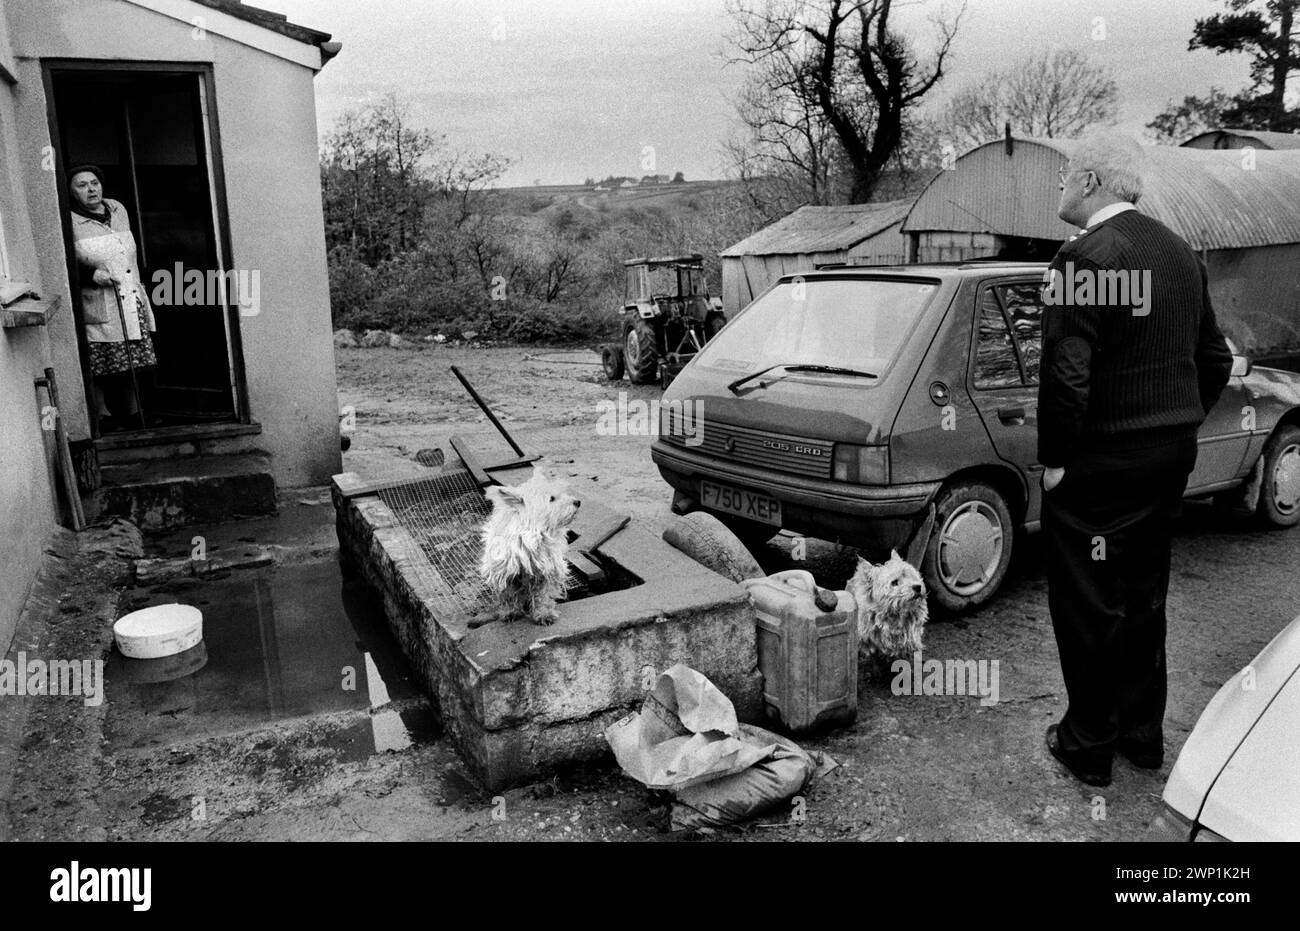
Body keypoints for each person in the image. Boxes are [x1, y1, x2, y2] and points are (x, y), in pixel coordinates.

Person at [1038, 133, 1233, 787]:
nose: (1059, 186)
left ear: (1090, 180)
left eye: (1065, 175)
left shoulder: (1080, 258)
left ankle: (1088, 742)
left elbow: (1067, 376)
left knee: (1090, 598)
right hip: (1167, 456)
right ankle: (1142, 736)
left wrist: (1057, 458)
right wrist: (1178, 422)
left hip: (1100, 464)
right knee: (1144, 593)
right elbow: (1217, 359)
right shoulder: (1180, 254)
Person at [68, 164, 158, 432]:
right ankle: (103, 415)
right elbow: (63, 262)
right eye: (82, 185)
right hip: (98, 299)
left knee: (133, 357)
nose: (91, 189)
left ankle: (134, 412)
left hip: (129, 294)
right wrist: (91, 276)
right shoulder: (69, 220)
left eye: (94, 182)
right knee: (102, 360)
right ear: (72, 193)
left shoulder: (117, 209)